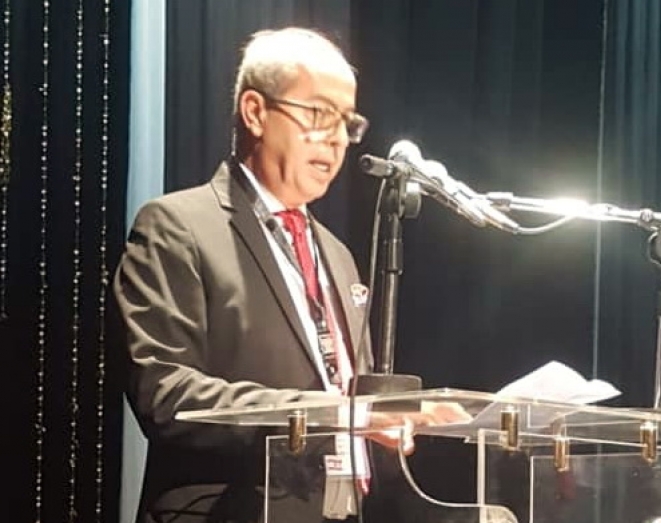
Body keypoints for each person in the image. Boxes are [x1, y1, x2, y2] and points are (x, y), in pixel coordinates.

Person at [114, 27, 447, 523]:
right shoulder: (177, 227)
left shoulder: (337, 255)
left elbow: (349, 396)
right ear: (255, 111)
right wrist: (327, 413)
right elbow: (164, 392)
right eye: (318, 114)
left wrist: (394, 422)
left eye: (346, 123)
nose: (336, 138)